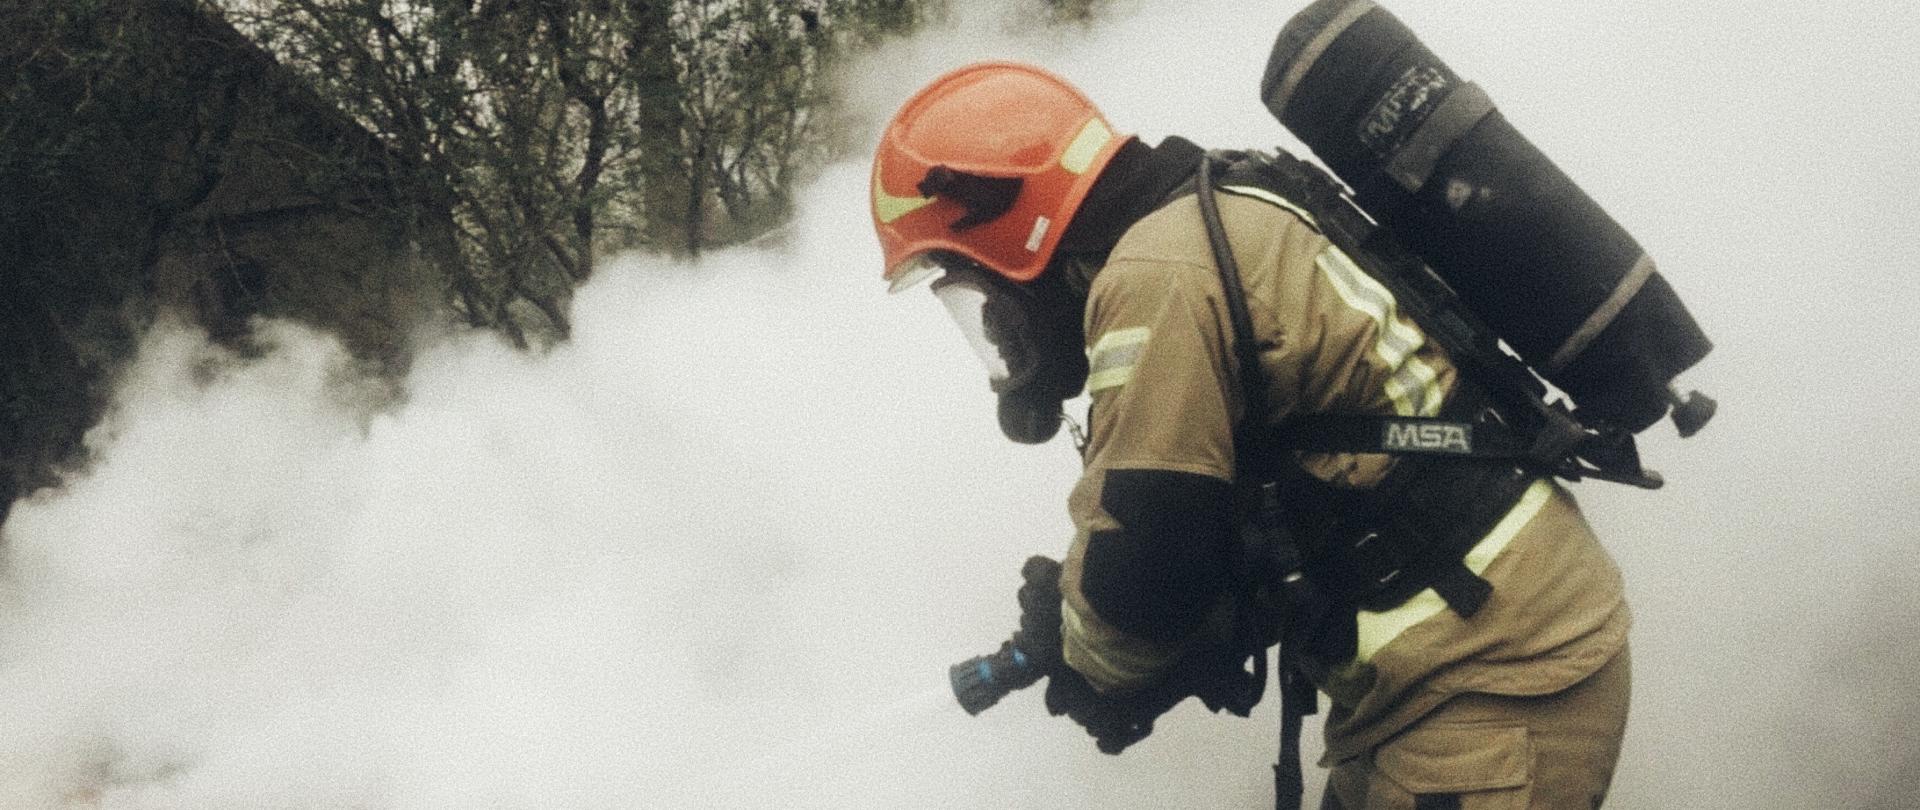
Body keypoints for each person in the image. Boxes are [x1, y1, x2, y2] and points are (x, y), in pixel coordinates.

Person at [871, 61, 1631, 810]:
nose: (994, 320)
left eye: (968, 278)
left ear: (1006, 229)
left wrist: (1086, 653)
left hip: (1492, 683)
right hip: (1461, 665)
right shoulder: (1219, 207)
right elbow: (1218, 495)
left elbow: (1147, 560)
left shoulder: (1155, 276)